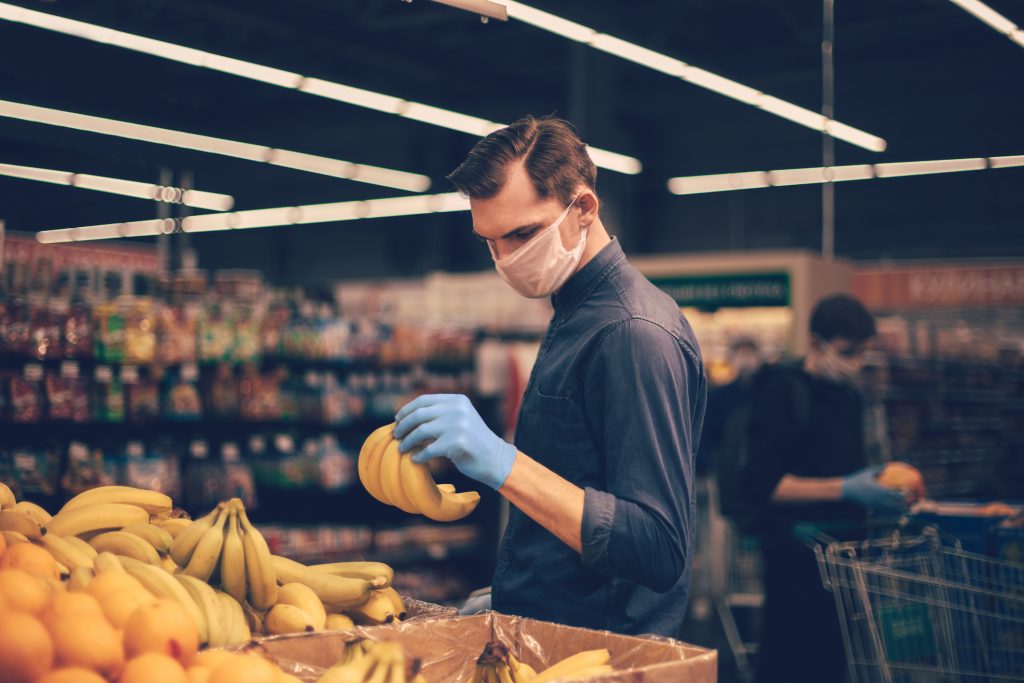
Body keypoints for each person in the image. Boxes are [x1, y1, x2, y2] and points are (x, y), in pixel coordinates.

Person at [392, 115, 706, 637]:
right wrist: (524, 590)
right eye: (490, 242)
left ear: (583, 208)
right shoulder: (575, 312)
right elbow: (580, 482)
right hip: (551, 635)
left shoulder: (632, 332)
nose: (507, 259)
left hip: (603, 657)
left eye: (522, 233)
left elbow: (656, 545)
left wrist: (502, 462)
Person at [740, 294, 909, 683]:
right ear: (816, 343)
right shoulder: (783, 391)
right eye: (848, 351)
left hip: (844, 558)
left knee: (833, 661)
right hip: (794, 557)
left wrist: (878, 485)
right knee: (792, 659)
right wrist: (847, 489)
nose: (857, 362)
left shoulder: (850, 395)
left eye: (863, 352)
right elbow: (766, 484)